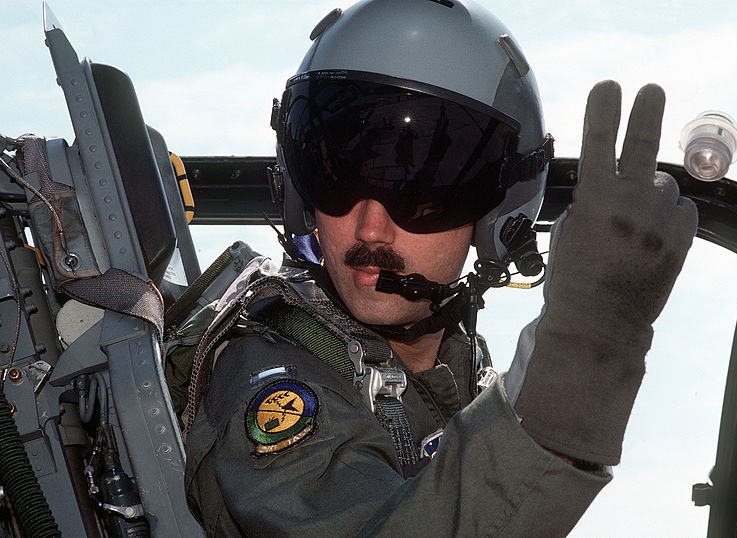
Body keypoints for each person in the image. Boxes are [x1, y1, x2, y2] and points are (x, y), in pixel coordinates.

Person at [181, 0, 698, 535]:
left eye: (423, 191)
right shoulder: (269, 378)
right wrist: (589, 337)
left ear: (496, 212)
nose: (370, 229)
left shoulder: (458, 375)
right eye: (335, 177)